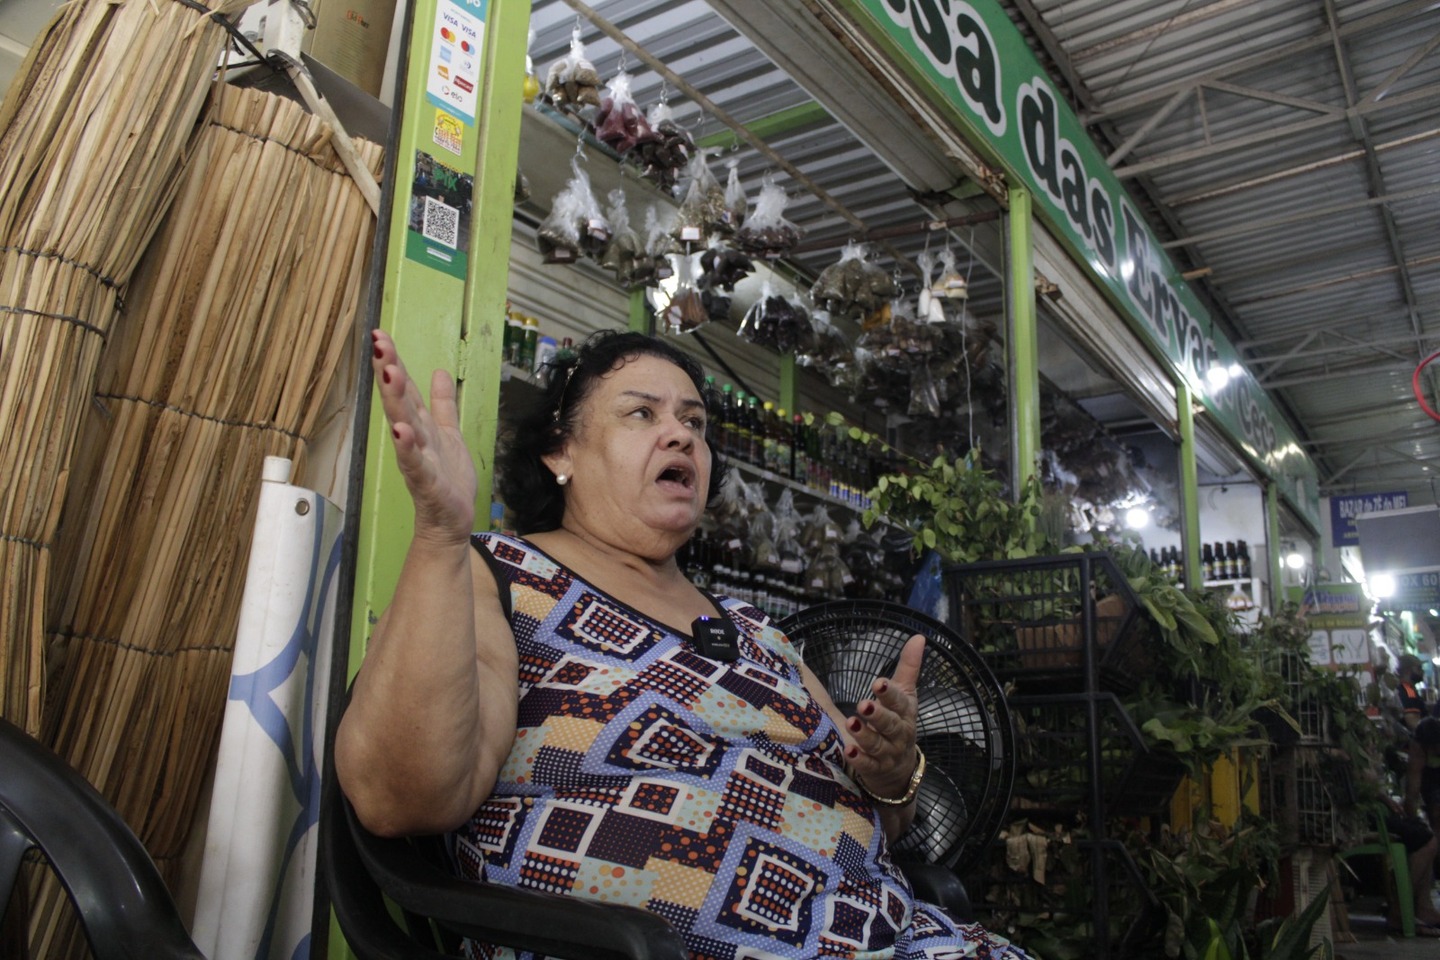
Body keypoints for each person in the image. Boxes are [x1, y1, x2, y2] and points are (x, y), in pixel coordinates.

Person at [335, 328, 1031, 959]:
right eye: (643, 414)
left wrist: (893, 771)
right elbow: (401, 800)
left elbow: (882, 812)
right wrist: (439, 536)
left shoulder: (756, 628)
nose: (681, 436)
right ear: (560, 452)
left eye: (694, 423)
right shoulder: (500, 574)